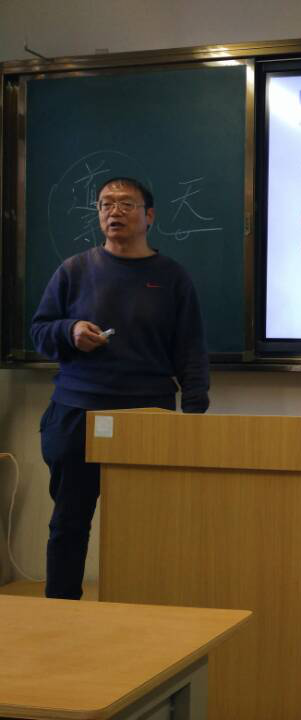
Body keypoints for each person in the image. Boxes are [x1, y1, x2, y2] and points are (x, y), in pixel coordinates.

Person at [30, 176, 209, 599]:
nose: (114, 211)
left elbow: (191, 349)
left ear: (149, 216)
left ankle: (138, 613)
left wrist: (195, 415)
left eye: (126, 204)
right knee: (69, 521)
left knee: (145, 526)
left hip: (146, 414)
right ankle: (61, 613)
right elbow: (39, 332)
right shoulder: (74, 270)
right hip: (77, 411)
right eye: (106, 204)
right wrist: (70, 330)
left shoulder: (172, 278)